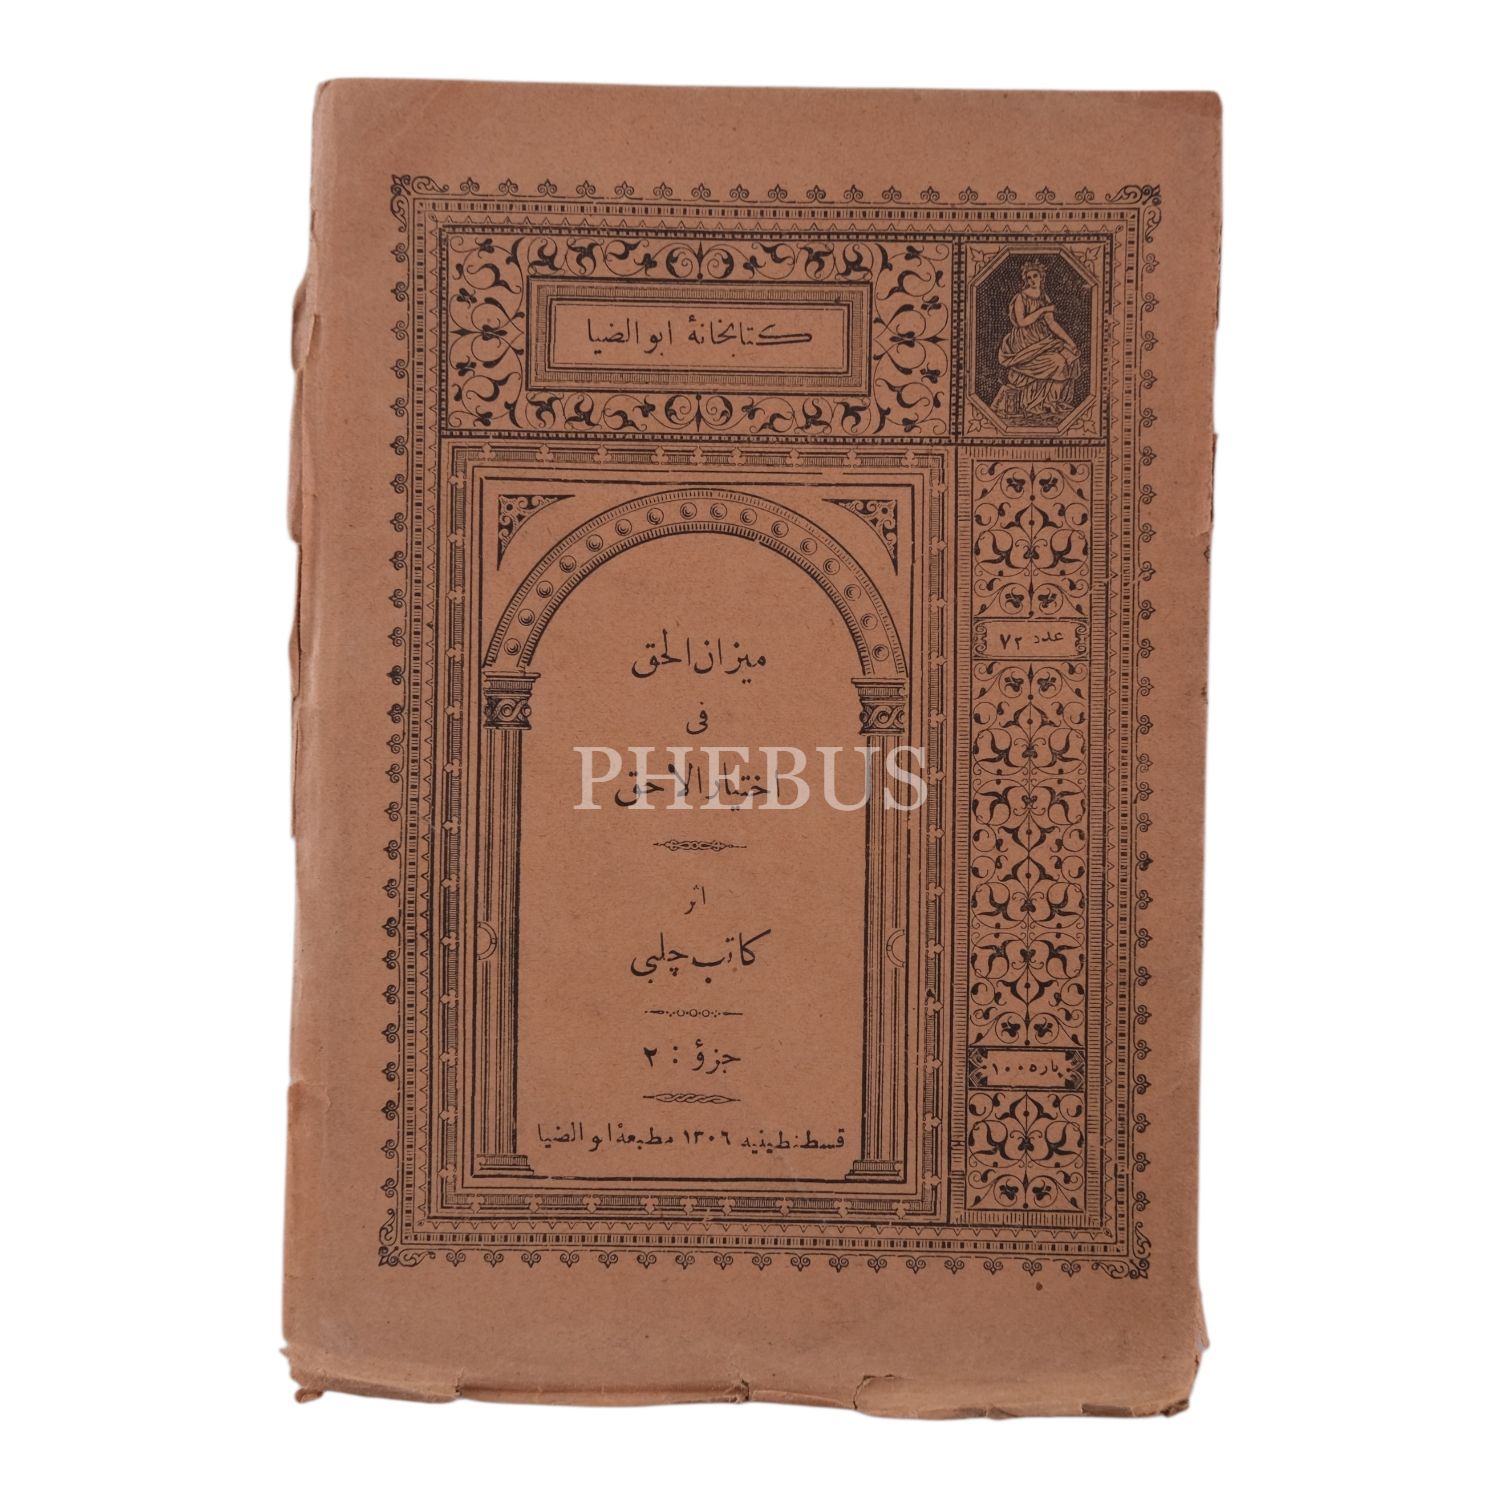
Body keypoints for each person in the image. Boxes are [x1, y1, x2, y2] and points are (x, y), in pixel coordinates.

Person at [998, 261, 1079, 417]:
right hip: (1025, 343)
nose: (1032, 280)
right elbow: (1022, 322)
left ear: (1042, 277)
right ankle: (1038, 403)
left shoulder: (1044, 297)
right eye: (1029, 277)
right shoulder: (1021, 297)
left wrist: (1070, 342)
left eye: (1035, 276)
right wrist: (1043, 310)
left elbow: (1052, 323)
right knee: (1058, 362)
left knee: (1071, 357)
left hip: (1043, 340)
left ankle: (1052, 401)